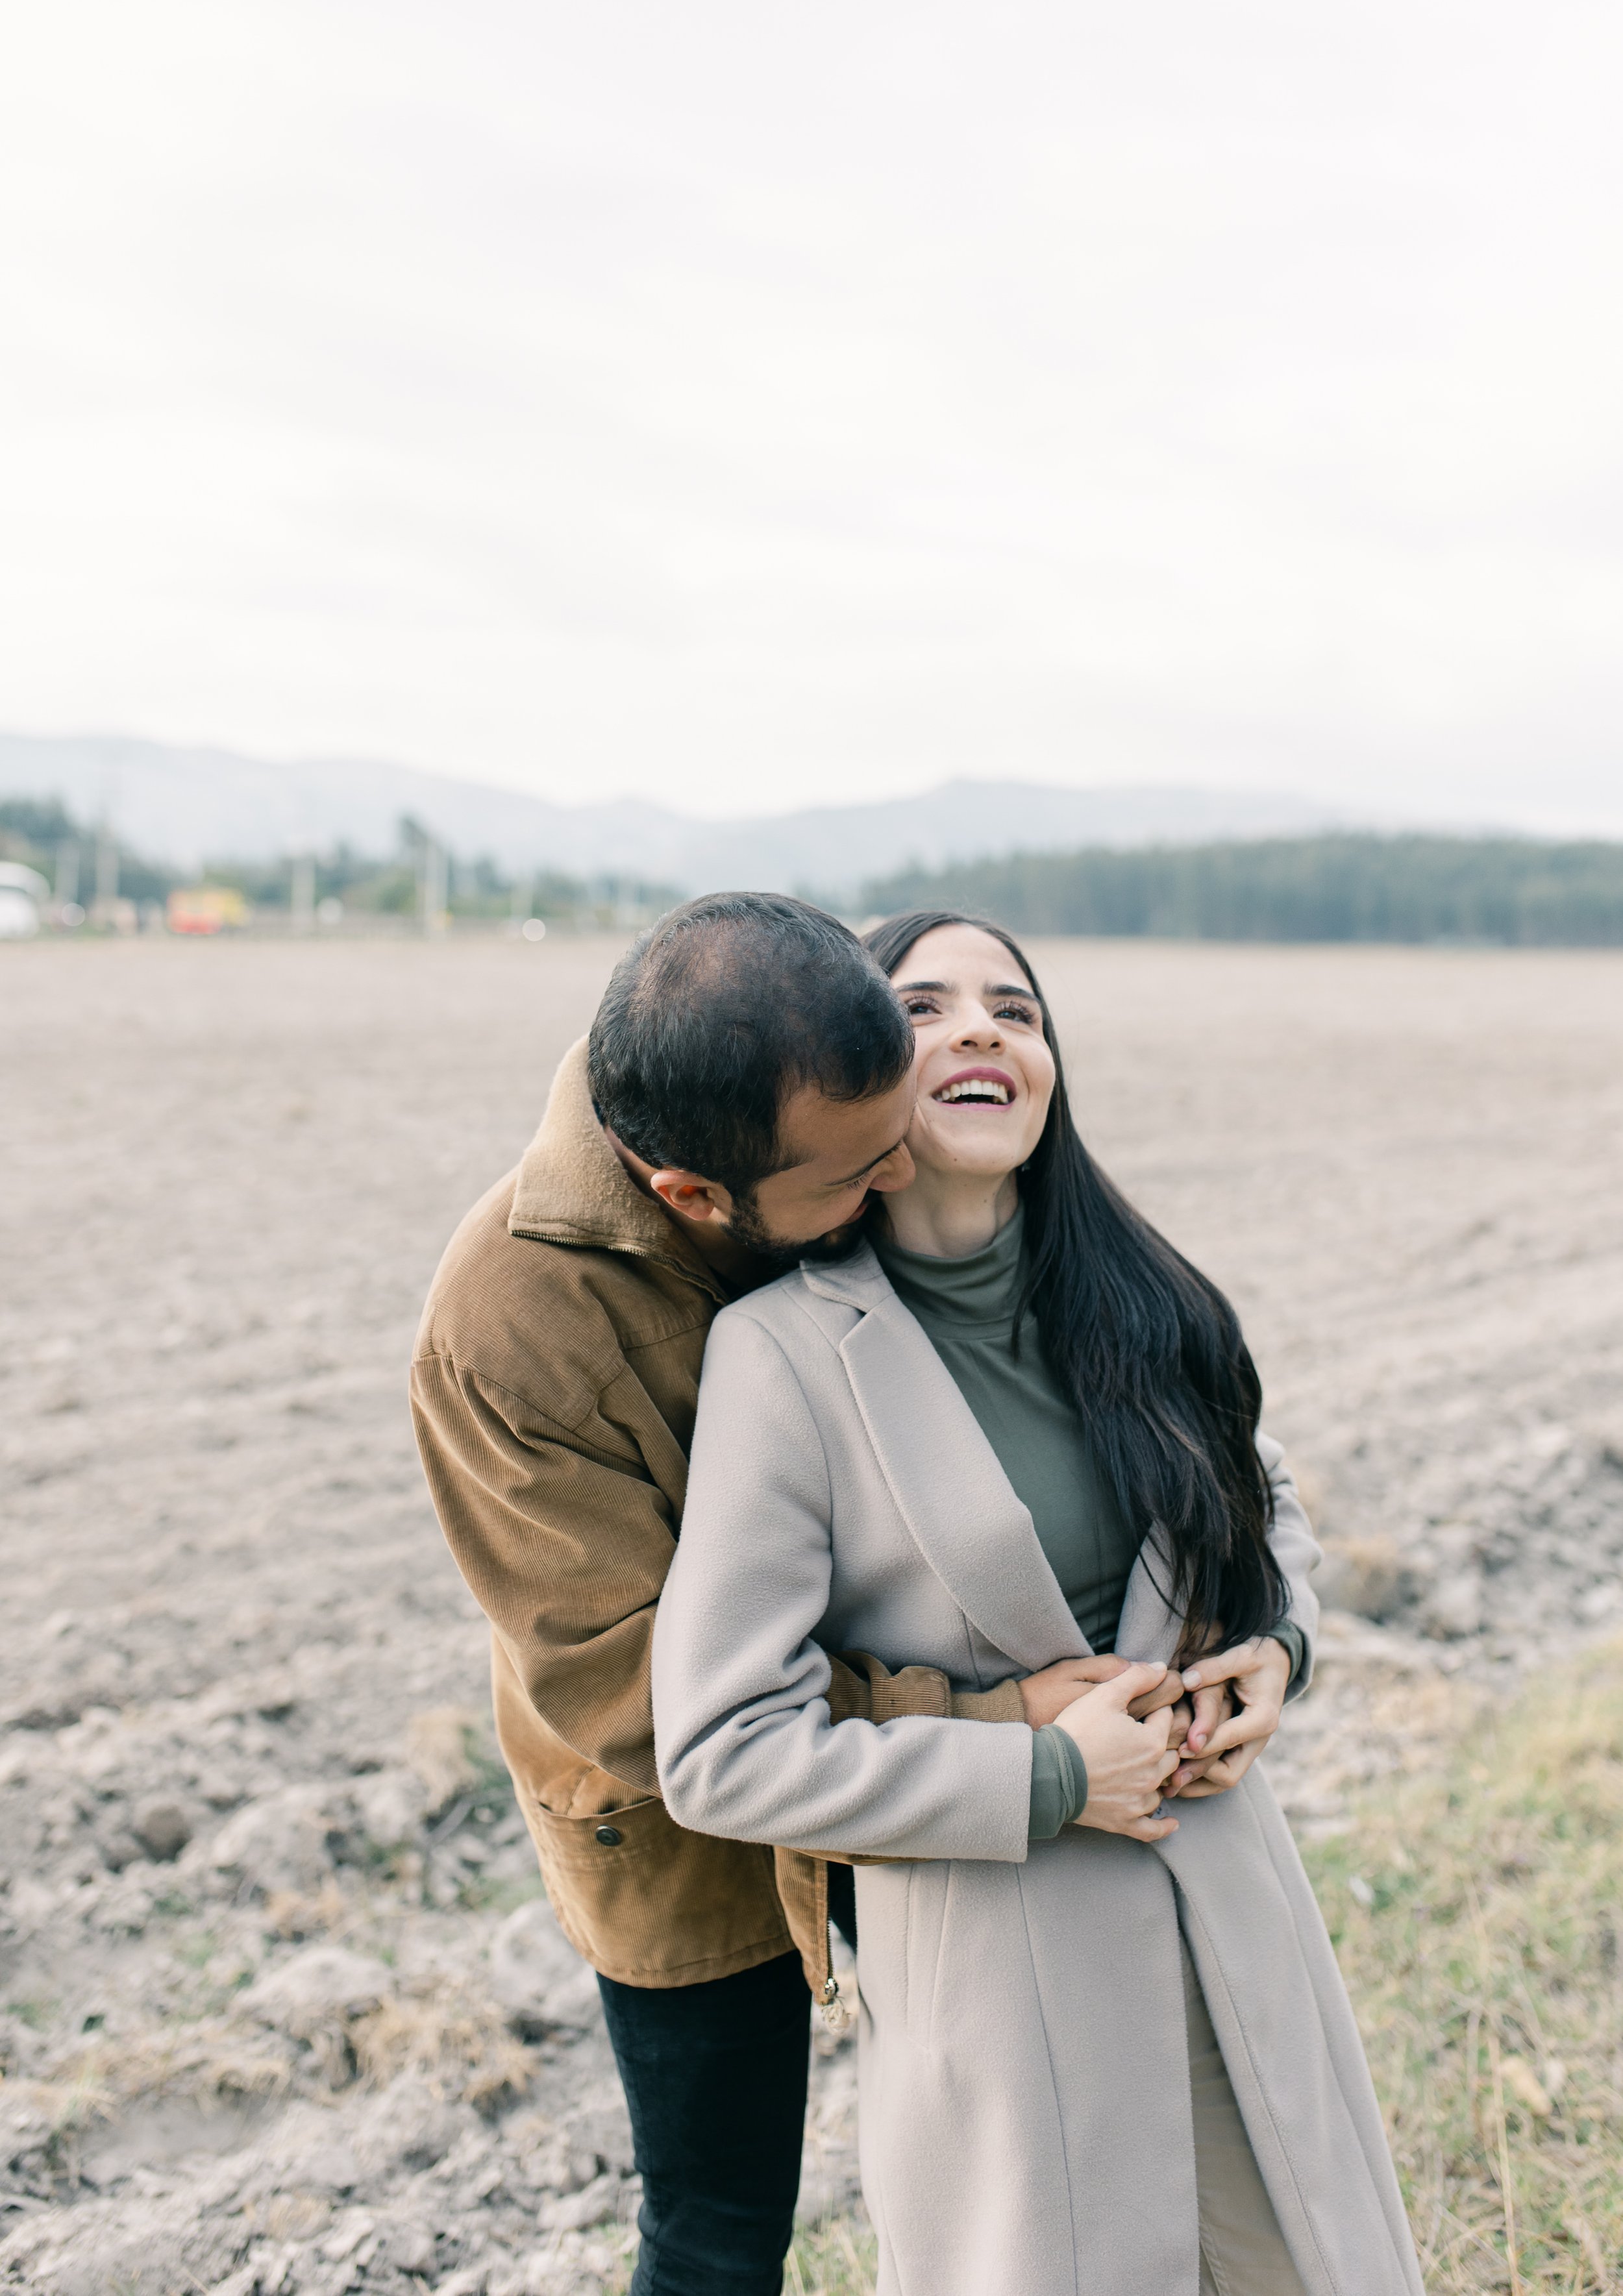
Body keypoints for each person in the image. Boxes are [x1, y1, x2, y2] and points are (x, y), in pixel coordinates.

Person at [653, 910, 1424, 2296]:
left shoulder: (1143, 1295)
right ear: (856, 1076)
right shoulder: (781, 1357)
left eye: (1014, 1009)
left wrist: (1277, 1644)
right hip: (1006, 1984)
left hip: (1233, 1917)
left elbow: (1264, 1497)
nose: (979, 1031)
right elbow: (721, 1752)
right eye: (926, 1007)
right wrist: (1045, 1774)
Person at [410, 894, 1117, 2296]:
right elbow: (627, 1697)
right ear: (692, 1195)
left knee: (1025, 2129)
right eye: (859, 1178)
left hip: (917, 1758)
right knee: (720, 2225)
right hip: (676, 1827)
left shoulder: (804, 1100)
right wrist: (977, 1724)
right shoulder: (501, 1330)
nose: (895, 1181)